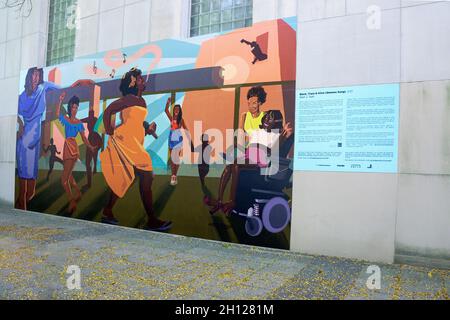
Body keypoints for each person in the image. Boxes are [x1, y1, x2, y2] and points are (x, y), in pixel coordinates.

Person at [100, 68, 172, 232]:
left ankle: (107, 210)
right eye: (140, 78)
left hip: (134, 142)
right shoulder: (129, 99)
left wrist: (147, 129)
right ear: (133, 82)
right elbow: (108, 111)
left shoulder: (141, 101)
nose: (143, 80)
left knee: (127, 178)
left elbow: (136, 123)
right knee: (147, 176)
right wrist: (110, 131)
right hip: (126, 141)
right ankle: (152, 220)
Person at [15, 67, 91, 211]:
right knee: (23, 191)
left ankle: (20, 209)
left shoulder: (44, 87)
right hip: (24, 143)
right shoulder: (22, 96)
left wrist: (79, 81)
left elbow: (64, 90)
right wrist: (20, 124)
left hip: (35, 144)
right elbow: (15, 112)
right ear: (29, 77)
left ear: (40, 77)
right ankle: (22, 215)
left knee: (31, 192)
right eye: (33, 75)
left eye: (37, 75)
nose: (35, 78)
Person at [206, 110, 293, 215]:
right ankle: (219, 201)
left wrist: (284, 134)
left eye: (270, 118)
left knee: (236, 165)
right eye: (266, 117)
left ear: (276, 122)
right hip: (248, 156)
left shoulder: (276, 135)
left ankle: (232, 201)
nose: (266, 119)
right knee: (228, 168)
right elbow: (245, 138)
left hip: (260, 159)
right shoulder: (257, 131)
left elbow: (274, 150)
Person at [56, 93, 96, 215]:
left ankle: (72, 201)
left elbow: (84, 138)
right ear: (70, 108)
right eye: (74, 107)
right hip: (69, 148)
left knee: (64, 180)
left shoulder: (78, 123)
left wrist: (90, 146)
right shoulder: (67, 119)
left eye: (77, 107)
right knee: (69, 175)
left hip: (71, 150)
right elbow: (57, 114)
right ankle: (78, 192)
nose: (75, 109)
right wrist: (60, 100)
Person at [165, 97, 189, 186]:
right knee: (172, 158)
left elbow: (186, 129)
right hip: (171, 138)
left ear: (180, 111)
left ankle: (175, 175)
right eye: (175, 109)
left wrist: (189, 138)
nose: (176, 110)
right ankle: (173, 175)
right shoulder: (171, 118)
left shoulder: (181, 120)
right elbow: (166, 110)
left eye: (178, 109)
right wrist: (168, 102)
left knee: (176, 159)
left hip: (178, 138)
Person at [81, 109, 103, 190]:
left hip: (94, 139)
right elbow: (81, 120)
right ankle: (92, 174)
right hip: (92, 139)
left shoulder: (94, 119)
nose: (90, 115)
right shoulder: (91, 119)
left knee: (90, 159)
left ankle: (93, 172)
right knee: (89, 161)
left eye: (91, 114)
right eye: (90, 113)